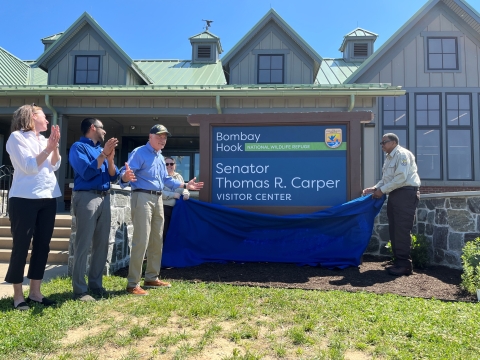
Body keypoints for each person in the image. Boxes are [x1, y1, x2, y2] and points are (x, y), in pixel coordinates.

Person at [119, 124, 204, 295]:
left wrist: (186, 184)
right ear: (150, 137)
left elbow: (166, 179)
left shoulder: (159, 157)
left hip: (158, 198)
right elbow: (125, 171)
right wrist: (124, 177)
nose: (162, 140)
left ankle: (151, 277)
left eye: (165, 137)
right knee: (141, 240)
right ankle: (132, 283)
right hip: (142, 196)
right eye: (159, 136)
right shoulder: (139, 152)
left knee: (157, 240)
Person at [69, 118, 134, 301]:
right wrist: (103, 155)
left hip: (105, 197)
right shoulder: (78, 147)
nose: (104, 131)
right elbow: (87, 173)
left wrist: (110, 159)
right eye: (102, 128)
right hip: (87, 197)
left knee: (102, 244)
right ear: (92, 128)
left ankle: (96, 286)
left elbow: (112, 177)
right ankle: (80, 290)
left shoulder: (101, 151)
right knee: (83, 244)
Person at [5, 104, 61, 310]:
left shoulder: (45, 140)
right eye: (43, 116)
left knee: (42, 245)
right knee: (21, 245)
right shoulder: (16, 138)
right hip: (24, 198)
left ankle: (35, 292)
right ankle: (18, 296)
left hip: (48, 197)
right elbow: (28, 166)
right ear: (30, 117)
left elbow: (55, 165)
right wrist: (48, 148)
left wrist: (53, 147)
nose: (47, 120)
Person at [362, 133, 421, 276]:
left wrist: (381, 191)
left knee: (401, 229)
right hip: (396, 194)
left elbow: (400, 178)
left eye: (384, 142)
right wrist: (375, 188)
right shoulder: (389, 158)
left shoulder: (402, 154)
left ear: (393, 142)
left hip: (405, 194)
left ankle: (405, 265)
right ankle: (398, 261)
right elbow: (387, 180)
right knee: (394, 229)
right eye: (381, 143)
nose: (382, 145)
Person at [162, 156, 190, 244]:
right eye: (166, 164)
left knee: (177, 233)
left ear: (175, 165)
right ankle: (162, 255)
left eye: (171, 164)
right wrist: (173, 195)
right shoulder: (160, 176)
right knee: (164, 233)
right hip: (164, 208)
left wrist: (186, 193)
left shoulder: (179, 177)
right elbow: (158, 192)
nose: (169, 166)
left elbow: (184, 188)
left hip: (178, 210)